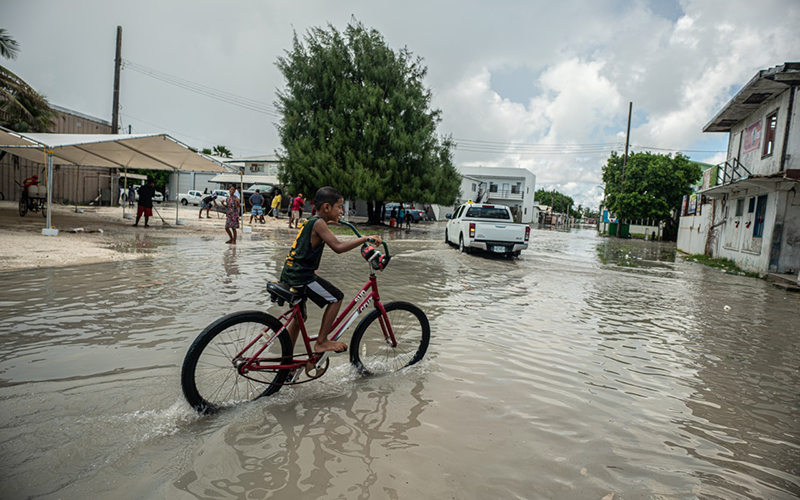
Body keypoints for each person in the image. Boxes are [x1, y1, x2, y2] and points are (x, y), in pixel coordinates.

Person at [280, 186, 382, 353]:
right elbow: (338, 247)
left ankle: (286, 360)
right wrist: (365, 238)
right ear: (327, 207)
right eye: (339, 207)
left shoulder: (313, 220)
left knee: (300, 319)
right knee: (336, 298)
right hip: (302, 276)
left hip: (291, 273)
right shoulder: (319, 224)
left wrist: (328, 221)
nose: (341, 211)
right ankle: (321, 341)